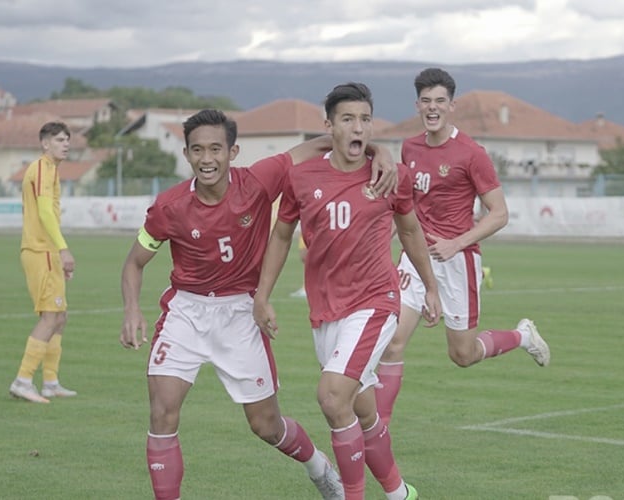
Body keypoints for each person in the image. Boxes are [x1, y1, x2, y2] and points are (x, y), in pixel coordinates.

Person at [119, 109, 397, 500]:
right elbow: (134, 262)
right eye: (197, 150)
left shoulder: (259, 180)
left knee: (266, 426)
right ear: (186, 154)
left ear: (233, 151)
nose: (207, 159)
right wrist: (132, 310)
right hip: (186, 312)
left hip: (240, 314)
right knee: (162, 413)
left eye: (216, 149)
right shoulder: (170, 206)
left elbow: (325, 142)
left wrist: (378, 149)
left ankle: (317, 465)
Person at [253, 83, 441, 500]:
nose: (359, 127)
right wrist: (262, 295)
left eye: (365, 119)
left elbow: (410, 230)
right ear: (330, 126)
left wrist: (430, 286)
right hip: (327, 311)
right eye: (348, 119)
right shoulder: (301, 178)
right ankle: (399, 493)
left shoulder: (391, 175)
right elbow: (281, 236)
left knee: (333, 396)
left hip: (375, 303)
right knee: (362, 409)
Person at [375, 68, 550, 426]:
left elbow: (499, 213)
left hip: (457, 263)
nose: (432, 107)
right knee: (391, 343)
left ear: (452, 105)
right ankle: (378, 434)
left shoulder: (471, 153)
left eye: (440, 101)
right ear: (417, 105)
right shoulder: (409, 147)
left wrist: (457, 243)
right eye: (426, 101)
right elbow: (406, 207)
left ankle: (522, 336)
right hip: (415, 260)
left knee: (463, 354)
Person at [9, 121, 77, 403]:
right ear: (45, 143)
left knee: (60, 317)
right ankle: (23, 380)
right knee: (50, 317)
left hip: (47, 252)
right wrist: (63, 250)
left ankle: (50, 381)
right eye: (60, 140)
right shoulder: (41, 167)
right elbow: (45, 213)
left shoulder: (51, 169)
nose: (66, 144)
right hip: (41, 251)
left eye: (67, 140)